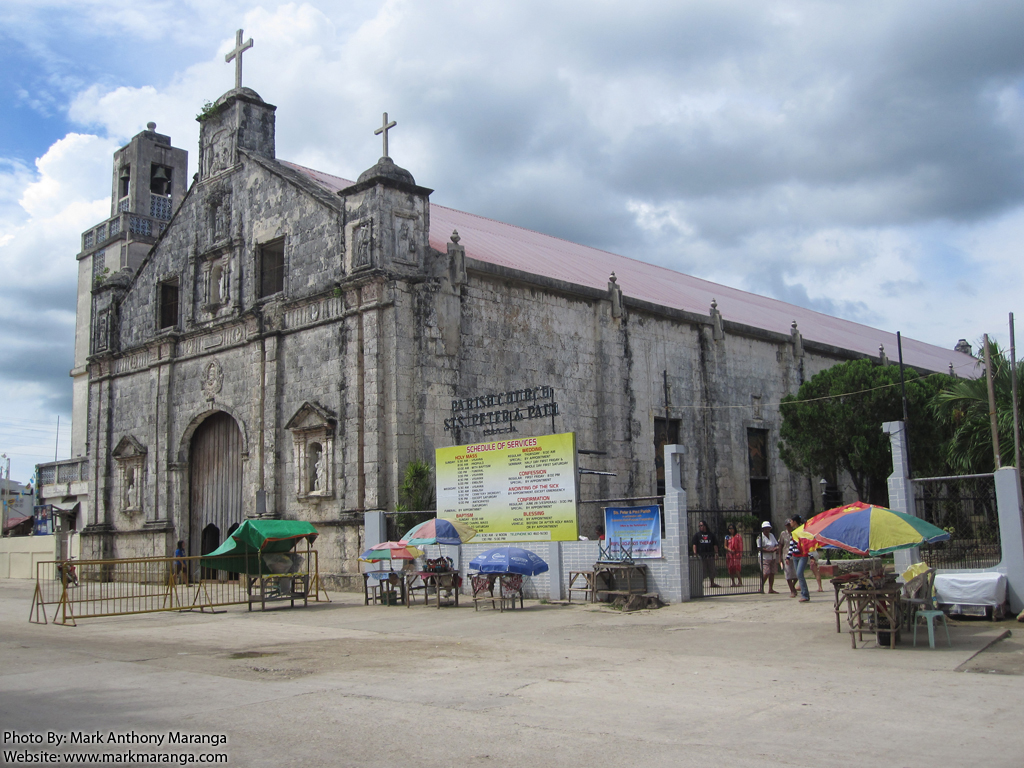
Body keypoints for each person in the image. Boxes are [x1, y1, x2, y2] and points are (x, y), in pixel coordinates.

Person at [691, 520, 720, 589]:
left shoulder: (711, 535)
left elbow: (715, 545)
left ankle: (712, 583)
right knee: (702, 570)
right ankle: (701, 584)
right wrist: (695, 553)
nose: (700, 527)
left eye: (701, 525)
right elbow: (694, 544)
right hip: (701, 556)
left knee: (712, 569)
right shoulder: (697, 535)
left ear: (705, 526)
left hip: (710, 555)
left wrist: (716, 553)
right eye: (699, 526)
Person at [791, 514, 811, 602]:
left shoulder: (802, 530)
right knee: (799, 575)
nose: (790, 523)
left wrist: (811, 555)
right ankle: (804, 593)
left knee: (799, 573)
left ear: (795, 522)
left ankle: (805, 594)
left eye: (791, 521)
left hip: (803, 555)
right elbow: (791, 545)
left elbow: (807, 543)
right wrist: (789, 556)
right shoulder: (794, 532)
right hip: (795, 555)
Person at [756, 521, 780, 594]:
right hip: (764, 557)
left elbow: (776, 544)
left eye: (768, 528)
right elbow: (759, 548)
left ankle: (770, 588)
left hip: (772, 557)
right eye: (765, 529)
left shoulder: (771, 535)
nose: (767, 530)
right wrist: (769, 550)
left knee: (772, 573)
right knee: (766, 573)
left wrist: (776, 548)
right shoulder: (760, 537)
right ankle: (761, 587)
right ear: (763, 529)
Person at [780, 518, 798, 597]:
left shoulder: (796, 532)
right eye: (787, 525)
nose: (789, 527)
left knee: (797, 574)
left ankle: (793, 586)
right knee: (788, 574)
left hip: (795, 555)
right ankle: (792, 590)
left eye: (789, 525)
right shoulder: (783, 534)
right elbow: (780, 545)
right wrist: (779, 557)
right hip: (786, 555)